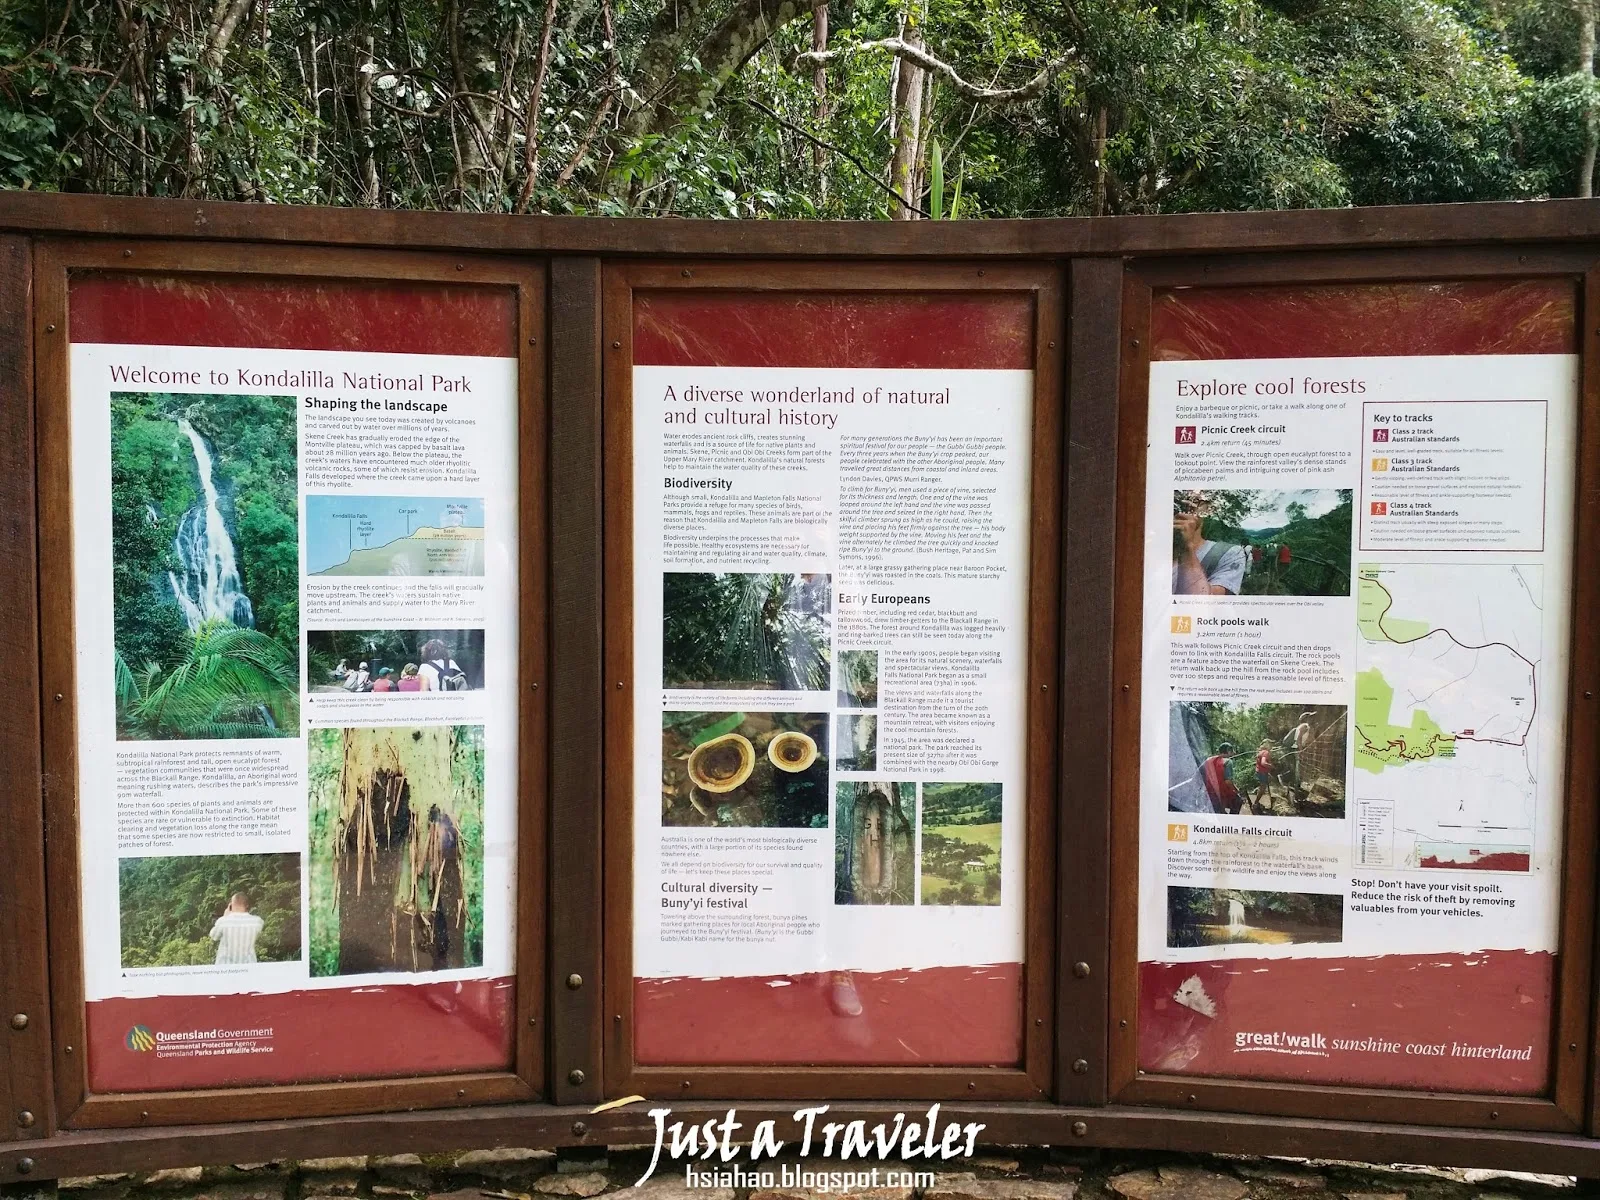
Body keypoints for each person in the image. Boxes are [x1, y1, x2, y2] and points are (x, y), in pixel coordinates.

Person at [1172, 496, 1247, 596]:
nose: (1185, 504)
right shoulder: (1151, 551)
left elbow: (1203, 603)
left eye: (1194, 501)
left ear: (1207, 509)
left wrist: (1186, 548)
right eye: (1177, 500)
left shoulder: (1230, 554)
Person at [209, 893, 264, 965]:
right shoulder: (257, 921)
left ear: (231, 905)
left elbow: (214, 936)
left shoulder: (223, 921)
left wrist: (225, 916)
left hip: (225, 967)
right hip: (248, 966)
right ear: (247, 905)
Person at [1200, 742, 1241, 815]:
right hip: (1222, 793)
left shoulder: (1208, 760)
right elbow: (1228, 781)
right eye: (1231, 751)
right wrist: (1236, 789)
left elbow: (1199, 773)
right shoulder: (1228, 762)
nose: (1232, 754)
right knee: (1238, 801)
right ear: (1228, 751)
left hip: (1210, 794)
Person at [1283, 712, 1315, 798]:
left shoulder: (1303, 726)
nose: (1312, 719)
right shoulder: (1304, 726)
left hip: (1293, 749)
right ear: (1306, 719)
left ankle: (1294, 787)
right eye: (1310, 717)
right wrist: (1300, 750)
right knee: (1296, 769)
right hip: (1294, 749)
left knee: (1295, 768)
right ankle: (1286, 781)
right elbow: (1299, 738)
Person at [1253, 740, 1275, 810]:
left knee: (1262, 786)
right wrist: (1271, 766)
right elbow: (1263, 763)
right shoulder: (1266, 752)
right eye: (1271, 744)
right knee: (1263, 788)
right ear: (1267, 745)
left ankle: (1256, 801)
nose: (1272, 746)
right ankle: (1255, 803)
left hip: (1259, 771)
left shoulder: (1261, 752)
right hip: (1262, 772)